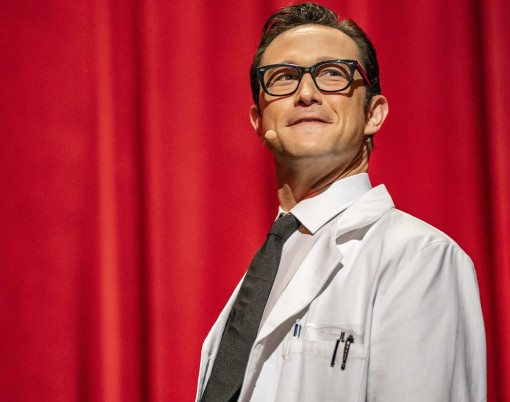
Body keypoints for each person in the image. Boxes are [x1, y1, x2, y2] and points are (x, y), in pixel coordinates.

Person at [196, 3, 486, 401]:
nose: (306, 93)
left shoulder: (419, 256)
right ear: (259, 121)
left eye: (332, 74)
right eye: (283, 77)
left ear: (373, 114)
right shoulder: (268, 265)